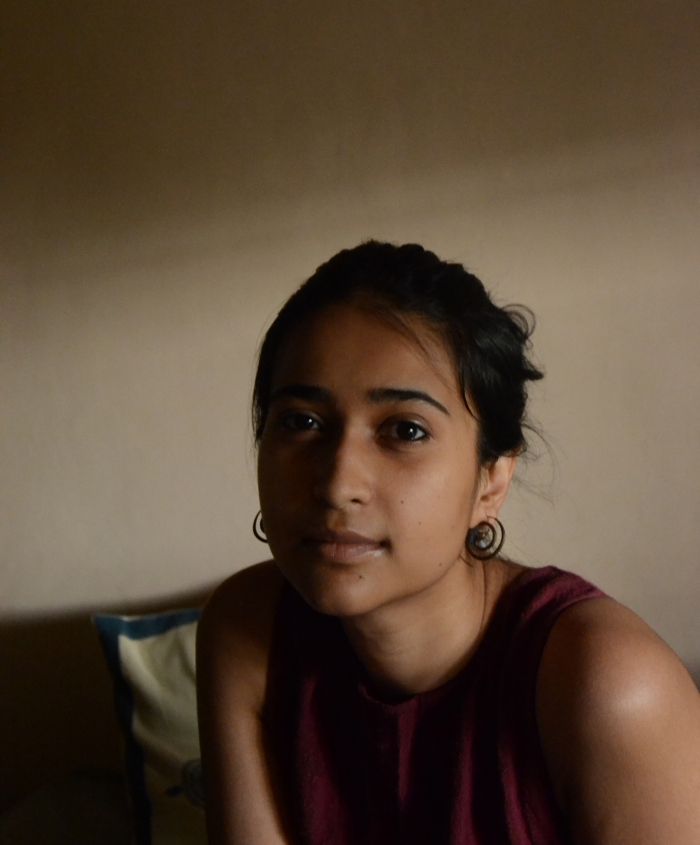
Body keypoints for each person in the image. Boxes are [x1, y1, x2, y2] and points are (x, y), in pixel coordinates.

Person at [196, 241, 700, 845]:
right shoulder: (247, 629)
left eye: (405, 430)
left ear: (492, 480)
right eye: (302, 422)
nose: (336, 484)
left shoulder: (607, 684)